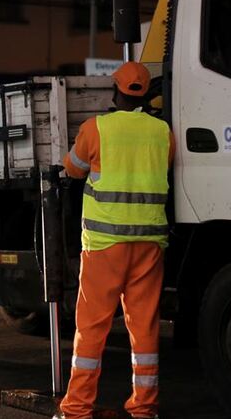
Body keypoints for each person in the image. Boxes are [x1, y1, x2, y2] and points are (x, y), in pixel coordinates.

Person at [55, 61, 175, 419]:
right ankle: (144, 408)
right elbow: (165, 166)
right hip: (150, 242)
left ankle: (77, 409)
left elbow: (73, 167)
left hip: (104, 245)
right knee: (144, 327)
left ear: (115, 91)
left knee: (92, 328)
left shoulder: (96, 129)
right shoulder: (162, 132)